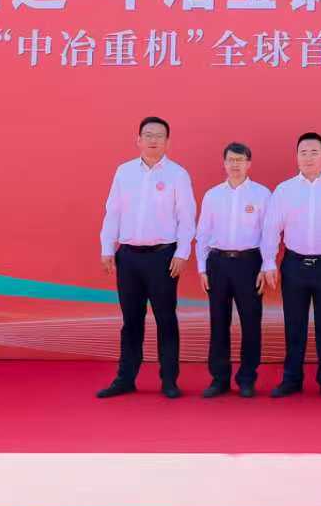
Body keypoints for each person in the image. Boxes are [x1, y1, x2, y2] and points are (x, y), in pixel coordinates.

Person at [96, 116, 196, 399]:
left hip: (162, 258)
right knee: (131, 321)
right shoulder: (124, 172)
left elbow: (187, 216)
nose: (153, 140)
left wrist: (182, 252)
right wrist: (107, 248)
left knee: (166, 319)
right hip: (128, 257)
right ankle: (125, 378)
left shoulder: (177, 174)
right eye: (148, 135)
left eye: (159, 136)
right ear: (138, 140)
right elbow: (113, 211)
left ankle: (169, 381)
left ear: (167, 142)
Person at [261, 132, 321, 398]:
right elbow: (271, 228)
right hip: (294, 265)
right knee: (294, 325)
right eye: (303, 152)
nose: (308, 157)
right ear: (296, 157)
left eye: (314, 152)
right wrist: (268, 262)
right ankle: (292, 379)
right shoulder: (285, 190)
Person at [194, 141, 270, 398]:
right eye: (230, 160)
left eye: (240, 160)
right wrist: (202, 268)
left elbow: (269, 235)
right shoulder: (213, 195)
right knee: (218, 321)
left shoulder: (262, 194)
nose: (235, 164)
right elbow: (203, 233)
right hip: (218, 263)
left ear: (249, 164)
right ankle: (219, 378)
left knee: (251, 322)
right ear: (224, 163)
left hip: (250, 263)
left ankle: (247, 379)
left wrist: (265, 266)